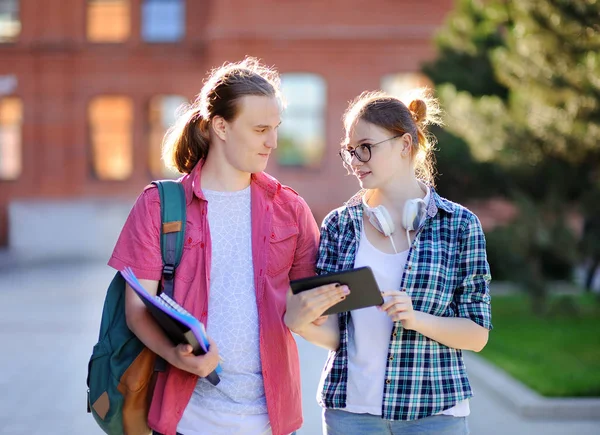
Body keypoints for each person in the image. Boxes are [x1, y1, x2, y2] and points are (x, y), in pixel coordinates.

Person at [108, 58, 346, 435]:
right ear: (220, 126)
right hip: (186, 419)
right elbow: (137, 311)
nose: (273, 142)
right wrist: (176, 357)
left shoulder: (292, 209)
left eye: (276, 128)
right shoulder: (159, 205)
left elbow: (316, 314)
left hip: (271, 421)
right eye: (260, 129)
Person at [284, 89, 493, 434]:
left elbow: (477, 334)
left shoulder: (460, 224)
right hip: (351, 414)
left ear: (404, 145)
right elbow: (338, 335)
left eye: (365, 147)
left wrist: (416, 319)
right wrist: (303, 322)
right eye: (350, 151)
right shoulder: (339, 225)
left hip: (435, 414)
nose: (355, 161)